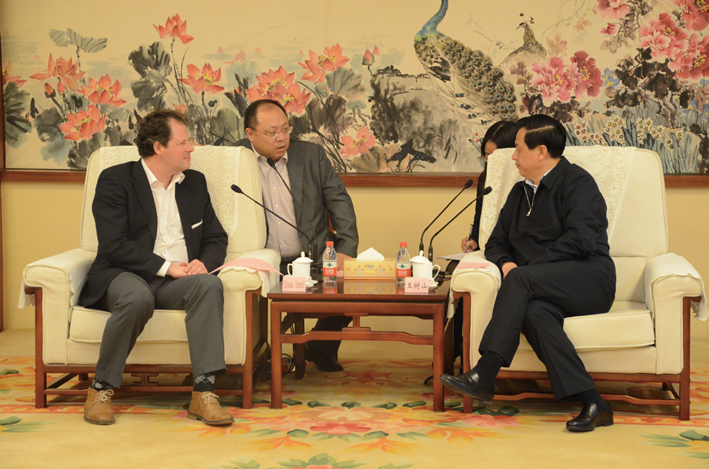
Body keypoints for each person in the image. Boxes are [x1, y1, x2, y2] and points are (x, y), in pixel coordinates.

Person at [440, 114, 617, 432]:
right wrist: (507, 265)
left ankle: (486, 372)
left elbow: (581, 241)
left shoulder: (578, 184)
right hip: (541, 285)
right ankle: (594, 403)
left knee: (521, 279)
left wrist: (525, 270)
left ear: (541, 152)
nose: (513, 157)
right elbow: (495, 243)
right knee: (534, 313)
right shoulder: (520, 193)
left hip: (590, 280)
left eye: (519, 149)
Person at [78, 109, 234, 427]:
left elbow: (216, 236)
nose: (191, 148)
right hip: (123, 274)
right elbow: (114, 244)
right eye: (183, 142)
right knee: (137, 297)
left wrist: (204, 263)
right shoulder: (115, 180)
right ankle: (101, 389)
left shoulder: (194, 183)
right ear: (158, 147)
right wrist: (167, 267)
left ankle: (204, 393)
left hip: (177, 281)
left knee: (209, 284)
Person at [236, 99, 359, 372]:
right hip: (261, 261)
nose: (281, 138)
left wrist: (346, 248)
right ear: (250, 134)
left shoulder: (311, 156)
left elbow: (339, 201)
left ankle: (320, 346)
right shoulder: (233, 160)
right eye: (271, 132)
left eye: (285, 129)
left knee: (353, 286)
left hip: (314, 255)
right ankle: (249, 360)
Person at [460, 121, 517, 253]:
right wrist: (473, 241)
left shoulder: (524, 180)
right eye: (486, 155)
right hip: (488, 250)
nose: (488, 160)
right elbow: (480, 219)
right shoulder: (484, 179)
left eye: (493, 156)